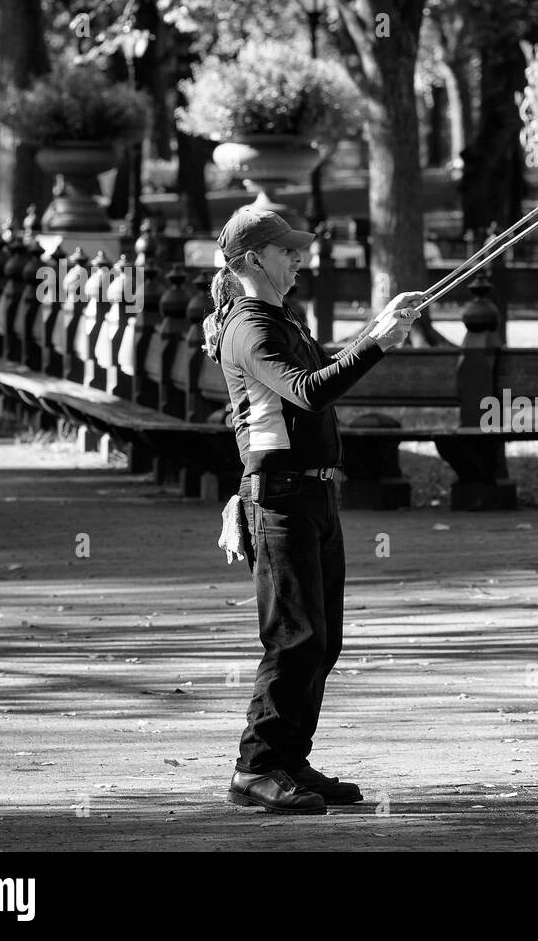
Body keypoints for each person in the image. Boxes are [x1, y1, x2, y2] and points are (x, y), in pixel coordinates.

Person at [203, 206, 420, 814]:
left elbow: (318, 376)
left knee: (322, 642)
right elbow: (308, 390)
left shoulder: (281, 319)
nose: (299, 258)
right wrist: (376, 343)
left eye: (299, 249)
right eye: (287, 250)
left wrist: (378, 327)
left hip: (315, 495)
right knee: (294, 639)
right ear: (253, 261)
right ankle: (257, 769)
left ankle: (291, 760)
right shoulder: (252, 328)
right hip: (281, 501)